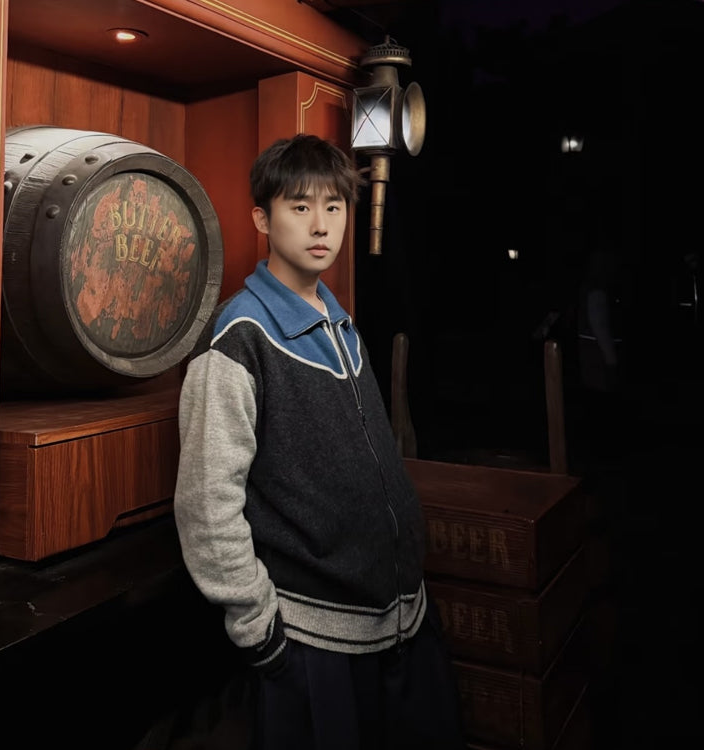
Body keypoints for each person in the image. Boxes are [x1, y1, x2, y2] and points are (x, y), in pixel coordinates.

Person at [173, 133, 466, 750]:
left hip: (400, 622)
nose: (320, 225)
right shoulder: (239, 338)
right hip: (315, 641)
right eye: (300, 206)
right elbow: (206, 504)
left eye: (333, 207)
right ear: (263, 218)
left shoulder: (340, 322)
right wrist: (261, 633)